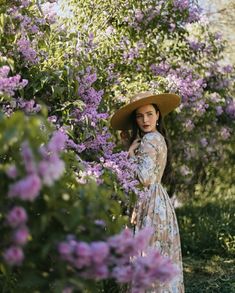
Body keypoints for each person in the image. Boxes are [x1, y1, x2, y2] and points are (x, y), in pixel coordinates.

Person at [110, 92, 184, 293]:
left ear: (158, 115)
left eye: (150, 114)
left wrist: (131, 154)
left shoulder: (151, 139)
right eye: (140, 116)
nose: (145, 120)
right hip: (156, 200)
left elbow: (144, 178)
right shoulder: (157, 138)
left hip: (151, 203)